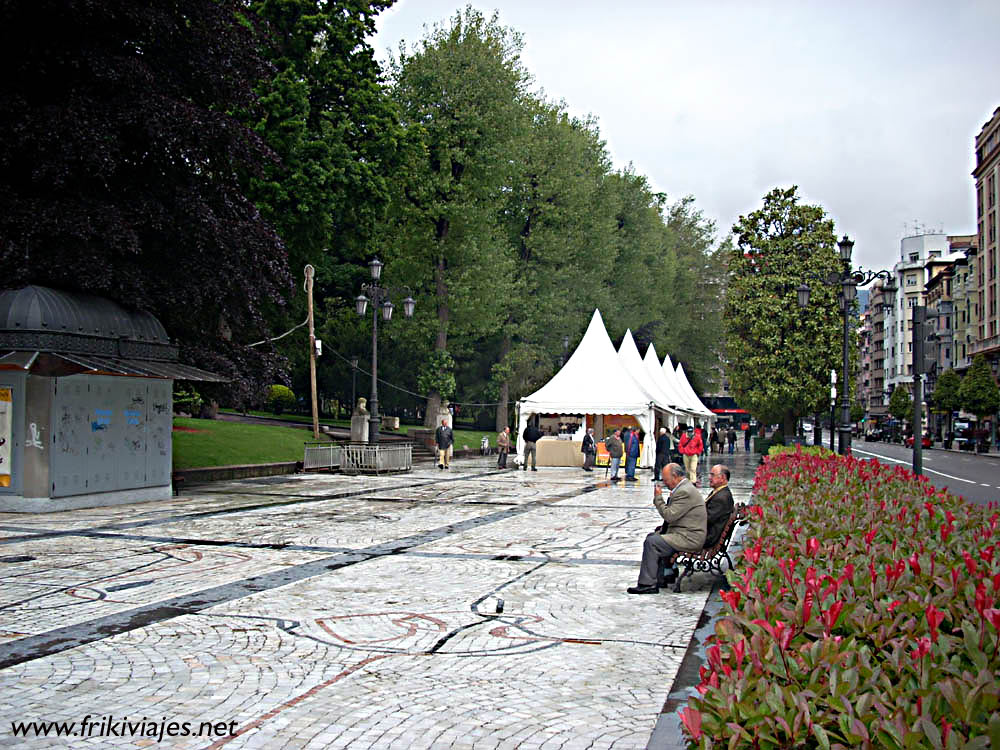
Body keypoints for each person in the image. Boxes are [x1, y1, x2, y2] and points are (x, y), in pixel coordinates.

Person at [627, 463, 707, 594]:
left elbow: (669, 515)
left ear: (675, 477)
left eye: (666, 480)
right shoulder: (684, 488)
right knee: (653, 538)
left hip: (689, 538)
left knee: (652, 542)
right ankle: (659, 578)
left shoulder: (684, 491)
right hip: (685, 533)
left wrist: (658, 498)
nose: (665, 483)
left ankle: (648, 584)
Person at [705, 464, 735, 548]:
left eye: (712, 475)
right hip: (706, 533)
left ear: (722, 478)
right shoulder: (720, 492)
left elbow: (706, 519)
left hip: (708, 538)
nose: (709, 478)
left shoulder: (721, 498)